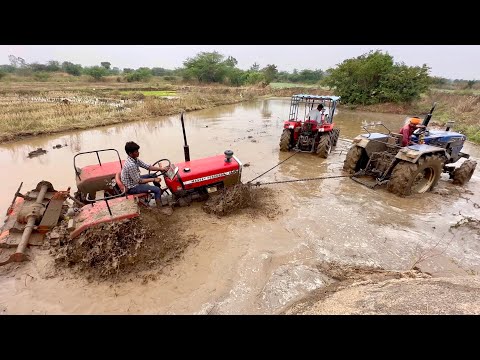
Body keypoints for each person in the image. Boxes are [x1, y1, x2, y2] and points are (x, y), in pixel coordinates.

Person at [121, 141, 173, 215]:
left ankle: (158, 193)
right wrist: (154, 180)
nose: (138, 153)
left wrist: (161, 169)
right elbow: (139, 181)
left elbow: (147, 166)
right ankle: (160, 208)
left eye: (137, 151)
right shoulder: (131, 165)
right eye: (136, 151)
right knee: (156, 188)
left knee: (153, 175)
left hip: (133, 180)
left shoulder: (134, 159)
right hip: (132, 187)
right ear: (130, 153)